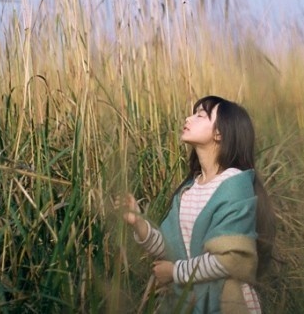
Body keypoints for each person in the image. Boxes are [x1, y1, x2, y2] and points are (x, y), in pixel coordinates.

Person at [116, 95, 276, 313]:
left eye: (200, 115)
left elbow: (230, 260)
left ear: (220, 133)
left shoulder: (234, 185)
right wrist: (138, 223)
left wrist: (176, 273)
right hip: (190, 303)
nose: (189, 118)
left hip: (226, 303)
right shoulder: (189, 189)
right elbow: (170, 250)